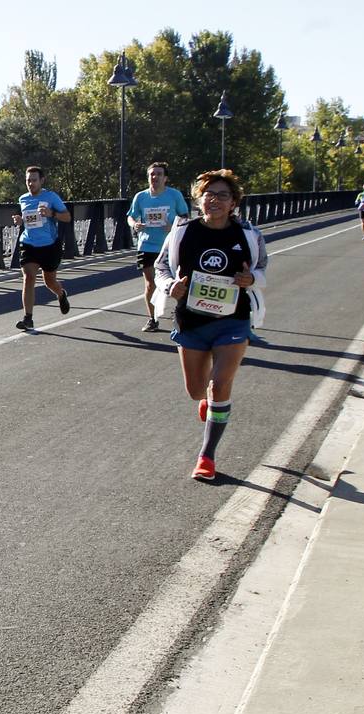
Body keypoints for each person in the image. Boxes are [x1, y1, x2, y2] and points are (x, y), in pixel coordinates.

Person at [156, 169, 269, 482]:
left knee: (220, 384)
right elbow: (162, 266)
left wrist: (251, 279)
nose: (215, 200)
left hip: (232, 320)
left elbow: (262, 268)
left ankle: (207, 456)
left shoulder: (248, 234)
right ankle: (208, 400)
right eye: (209, 194)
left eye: (223, 195)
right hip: (191, 320)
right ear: (198, 198)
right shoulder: (182, 232)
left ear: (233, 202)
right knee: (196, 391)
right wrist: (170, 287)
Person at [127, 162, 191, 332]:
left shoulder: (174, 195)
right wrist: (134, 225)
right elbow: (130, 217)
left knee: (179, 283)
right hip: (147, 245)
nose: (155, 177)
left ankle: (181, 315)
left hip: (171, 245)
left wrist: (174, 227)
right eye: (152, 174)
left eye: (159, 174)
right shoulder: (140, 197)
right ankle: (152, 319)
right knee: (150, 284)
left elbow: (185, 217)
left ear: (165, 178)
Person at [9, 166, 72, 330]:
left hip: (49, 245)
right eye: (28, 180)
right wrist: (19, 221)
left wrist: (52, 214)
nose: (31, 183)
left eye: (34, 180)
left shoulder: (51, 197)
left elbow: (67, 217)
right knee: (29, 277)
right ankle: (28, 318)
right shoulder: (23, 199)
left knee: (49, 281)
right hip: (29, 244)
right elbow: (26, 219)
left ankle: (61, 294)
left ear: (41, 180)